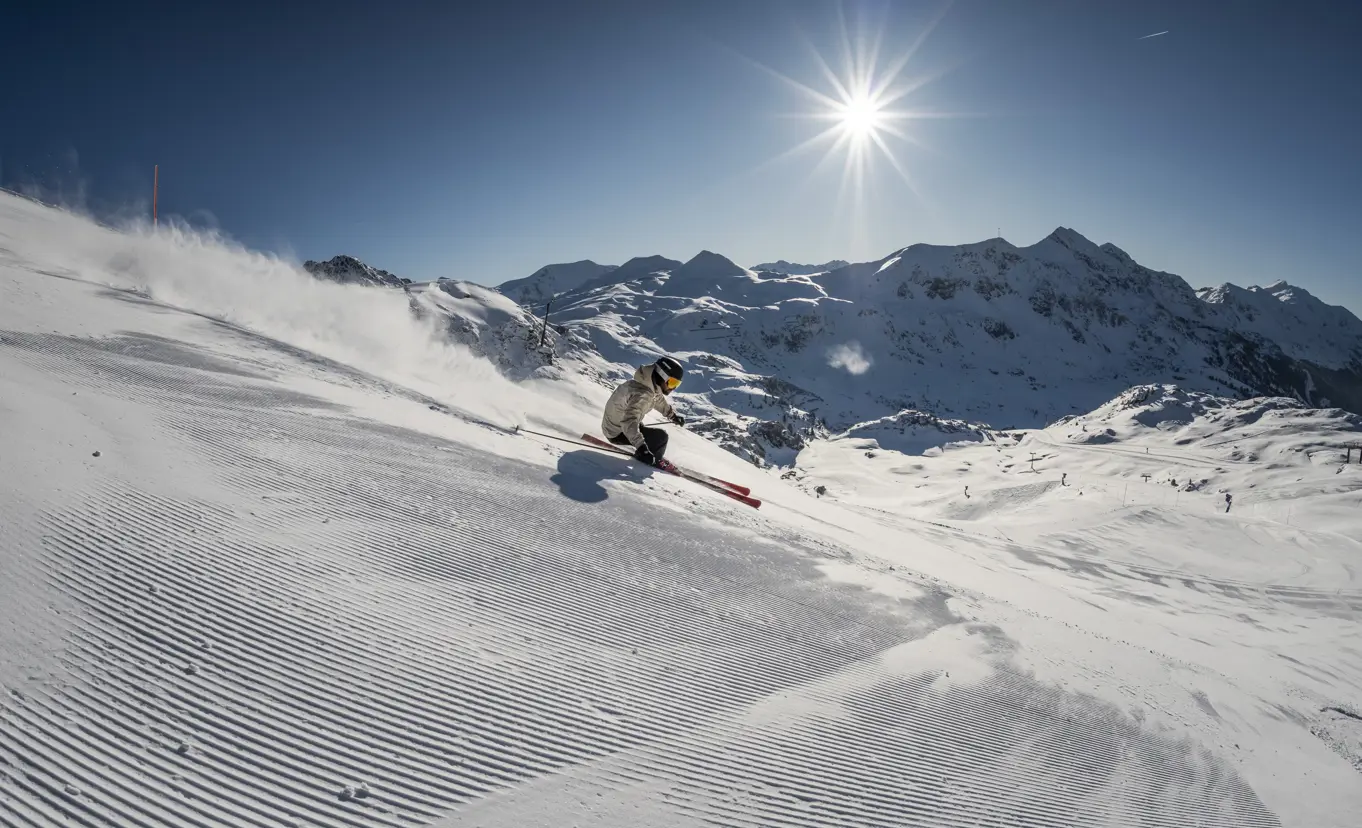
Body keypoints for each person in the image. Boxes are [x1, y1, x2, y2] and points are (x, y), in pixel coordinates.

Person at [602, 356, 686, 467]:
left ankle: (651, 451)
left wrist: (672, 416)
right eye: (672, 383)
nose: (673, 388)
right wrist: (642, 448)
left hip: (613, 425)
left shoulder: (647, 385)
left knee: (644, 430)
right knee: (660, 438)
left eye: (677, 384)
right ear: (662, 375)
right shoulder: (642, 394)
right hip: (616, 433)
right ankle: (654, 462)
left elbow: (658, 400)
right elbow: (629, 422)